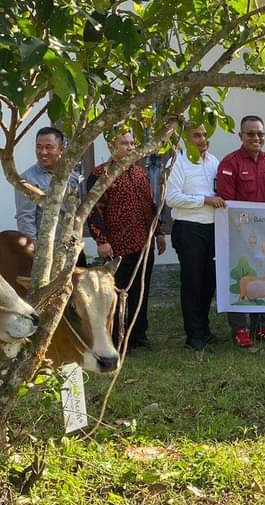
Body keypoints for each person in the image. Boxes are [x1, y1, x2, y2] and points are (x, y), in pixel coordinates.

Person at [86, 129, 167, 351]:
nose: (130, 148)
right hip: (118, 245)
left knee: (141, 290)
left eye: (132, 143)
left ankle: (138, 334)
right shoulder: (101, 174)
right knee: (118, 293)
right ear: (111, 146)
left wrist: (159, 233)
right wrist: (101, 240)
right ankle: (117, 339)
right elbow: (93, 210)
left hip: (144, 243)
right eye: (124, 144)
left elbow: (150, 205)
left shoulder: (140, 173)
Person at [216, 114, 265, 348]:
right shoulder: (229, 163)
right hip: (238, 234)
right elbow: (227, 202)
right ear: (241, 136)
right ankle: (240, 328)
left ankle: (260, 326)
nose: (256, 138)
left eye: (260, 134)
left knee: (263, 277)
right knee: (241, 278)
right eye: (251, 134)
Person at [165, 123, 223, 352]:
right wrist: (204, 200)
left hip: (212, 228)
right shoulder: (177, 163)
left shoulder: (214, 162)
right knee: (192, 282)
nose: (202, 139)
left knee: (209, 281)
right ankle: (194, 335)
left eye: (205, 134)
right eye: (197, 136)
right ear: (186, 139)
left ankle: (204, 329)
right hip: (189, 228)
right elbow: (171, 198)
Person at [15, 126, 83, 243]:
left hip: (72, 244)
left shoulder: (73, 176)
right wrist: (33, 248)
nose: (43, 152)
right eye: (39, 147)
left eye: (49, 147)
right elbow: (25, 218)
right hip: (46, 247)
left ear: (61, 149)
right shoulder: (27, 179)